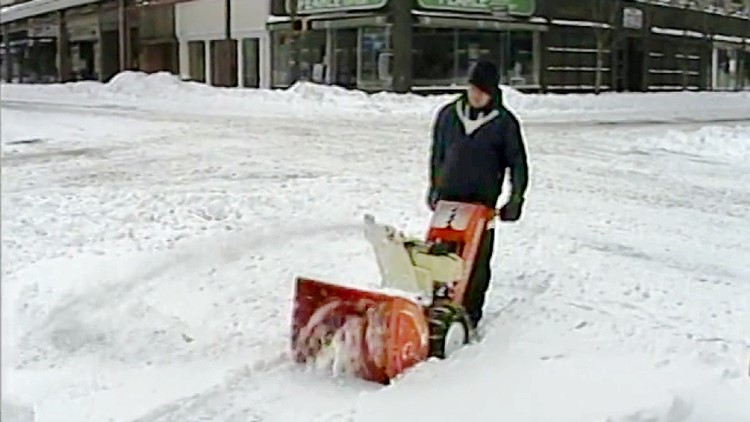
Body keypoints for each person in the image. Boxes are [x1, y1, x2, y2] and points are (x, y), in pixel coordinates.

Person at [426, 60, 529, 329]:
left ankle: (470, 314)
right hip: (449, 199)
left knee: (477, 260)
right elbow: (437, 154)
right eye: (472, 88)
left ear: (492, 92)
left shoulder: (504, 124)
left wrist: (515, 198)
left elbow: (518, 164)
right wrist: (433, 186)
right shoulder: (448, 115)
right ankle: (435, 305)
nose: (475, 95)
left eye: (482, 91)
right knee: (438, 254)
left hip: (482, 204)